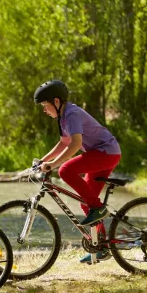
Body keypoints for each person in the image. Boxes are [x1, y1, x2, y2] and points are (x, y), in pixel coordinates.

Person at [31, 80, 122, 264]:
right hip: (104, 154)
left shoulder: (71, 114)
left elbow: (75, 144)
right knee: (85, 203)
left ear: (56, 102)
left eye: (45, 105)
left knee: (66, 170)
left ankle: (98, 208)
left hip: (106, 152)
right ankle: (102, 246)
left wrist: (54, 164)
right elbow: (64, 142)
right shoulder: (63, 117)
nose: (44, 110)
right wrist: (44, 160)